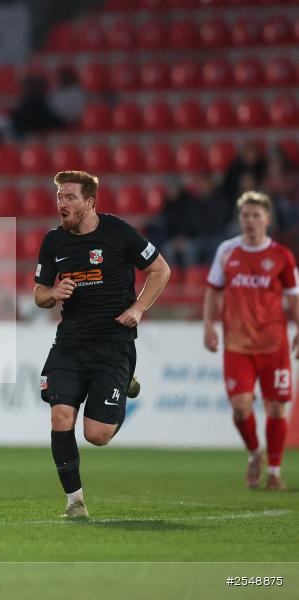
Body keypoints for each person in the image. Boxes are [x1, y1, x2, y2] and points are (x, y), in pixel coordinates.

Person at [34, 171, 170, 518]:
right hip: (70, 343)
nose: (61, 204)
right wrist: (51, 293)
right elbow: (39, 294)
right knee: (60, 415)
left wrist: (139, 308)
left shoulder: (118, 232)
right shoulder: (53, 241)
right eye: (59, 197)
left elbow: (160, 270)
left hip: (113, 342)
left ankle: (123, 382)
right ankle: (75, 501)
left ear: (90, 202)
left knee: (97, 435)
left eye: (70, 198)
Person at [203, 191, 298, 491]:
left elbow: (293, 297)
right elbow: (214, 290)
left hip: (274, 345)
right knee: (241, 407)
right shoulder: (227, 251)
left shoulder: (281, 256)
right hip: (237, 346)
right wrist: (209, 325)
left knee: (275, 409)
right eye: (245, 215)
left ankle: (273, 470)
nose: (249, 221)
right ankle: (254, 453)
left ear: (268, 219)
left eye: (256, 215)